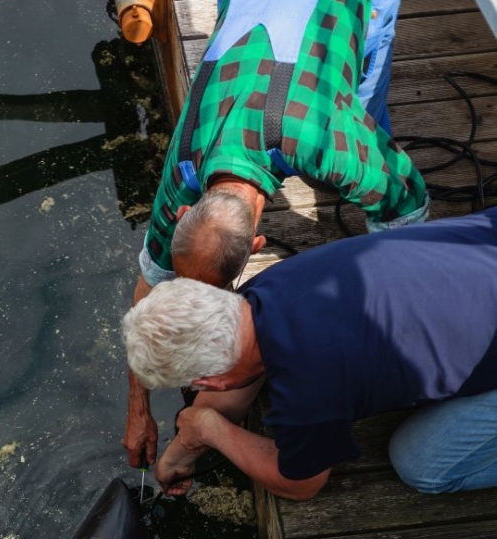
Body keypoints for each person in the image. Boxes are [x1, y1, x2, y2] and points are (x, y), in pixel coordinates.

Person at [122, 0, 430, 469]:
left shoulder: (329, 143)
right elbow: (149, 288)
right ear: (183, 213)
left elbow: (407, 206)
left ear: (258, 246)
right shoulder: (184, 161)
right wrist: (137, 409)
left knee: (364, 109)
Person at [122, 206, 497, 500]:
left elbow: (300, 483)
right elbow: (243, 370)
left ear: (210, 381)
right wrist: (185, 446)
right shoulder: (267, 288)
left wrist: (208, 428)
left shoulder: (310, 387)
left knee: (421, 464)